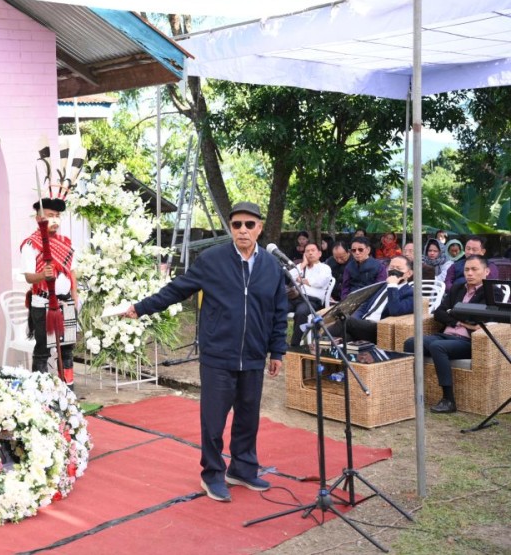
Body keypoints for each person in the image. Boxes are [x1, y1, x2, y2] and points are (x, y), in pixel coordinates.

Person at [123, 201, 286, 503]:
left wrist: (277, 350)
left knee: (248, 416)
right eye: (236, 225)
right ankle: (212, 474)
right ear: (230, 228)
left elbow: (279, 310)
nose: (243, 231)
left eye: (249, 225)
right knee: (214, 420)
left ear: (260, 228)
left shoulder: (272, 267)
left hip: (252, 355)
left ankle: (243, 468)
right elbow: (176, 289)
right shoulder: (212, 260)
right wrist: (140, 308)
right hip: (218, 355)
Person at [404, 256, 489, 414]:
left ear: (486, 271)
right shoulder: (458, 288)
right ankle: (409, 391)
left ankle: (448, 399)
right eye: (466, 269)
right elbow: (439, 313)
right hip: (447, 333)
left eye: (474, 269)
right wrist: (460, 321)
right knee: (411, 342)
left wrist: (456, 314)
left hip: (468, 341)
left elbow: (481, 319)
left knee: (438, 347)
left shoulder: (490, 292)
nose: (469, 273)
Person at [20, 197, 79, 389]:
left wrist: (75, 295)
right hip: (42, 303)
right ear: (39, 219)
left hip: (66, 302)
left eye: (57, 216)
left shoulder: (65, 243)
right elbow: (29, 278)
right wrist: (42, 275)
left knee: (67, 348)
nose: (54, 220)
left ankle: (67, 388)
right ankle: (42, 392)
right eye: (49, 216)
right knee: (43, 350)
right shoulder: (31, 244)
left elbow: (72, 271)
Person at [326, 256, 415, 344]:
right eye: (391, 267)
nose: (394, 271)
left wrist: (392, 286)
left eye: (399, 268)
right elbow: (365, 306)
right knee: (344, 337)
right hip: (363, 325)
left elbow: (395, 310)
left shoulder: (410, 293)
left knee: (345, 320)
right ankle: (318, 350)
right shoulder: (381, 286)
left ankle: (316, 337)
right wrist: (356, 321)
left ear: (409, 273)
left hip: (379, 328)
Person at [287, 242, 333, 346]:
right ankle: (276, 340)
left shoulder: (325, 268)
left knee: (301, 312)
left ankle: (295, 344)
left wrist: (302, 280)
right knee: (278, 308)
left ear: (319, 253)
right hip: (295, 297)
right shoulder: (301, 266)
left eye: (313, 250)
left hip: (312, 300)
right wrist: (303, 264)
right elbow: (289, 276)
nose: (310, 253)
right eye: (307, 251)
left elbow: (320, 282)